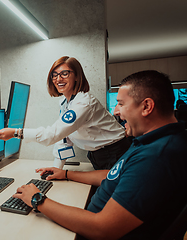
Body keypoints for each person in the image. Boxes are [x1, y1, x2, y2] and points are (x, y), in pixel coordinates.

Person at [12, 70, 187, 239]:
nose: (116, 112)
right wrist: (65, 174)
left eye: (121, 103)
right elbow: (112, 175)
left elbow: (102, 229)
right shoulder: (151, 141)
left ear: (146, 106)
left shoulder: (155, 157)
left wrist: (38, 199)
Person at [0, 56, 130, 170]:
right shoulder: (65, 102)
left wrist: (15, 132)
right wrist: (57, 169)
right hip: (99, 154)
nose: (58, 79)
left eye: (65, 73)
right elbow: (64, 139)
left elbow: (51, 135)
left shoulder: (83, 103)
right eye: (55, 75)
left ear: (76, 76)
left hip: (115, 151)